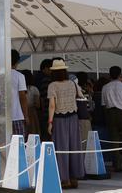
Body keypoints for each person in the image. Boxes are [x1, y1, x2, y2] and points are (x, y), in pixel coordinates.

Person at [47, 59, 84, 187]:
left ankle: (65, 179)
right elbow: (80, 95)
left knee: (61, 148)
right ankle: (75, 178)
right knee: (74, 147)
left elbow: (52, 105)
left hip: (59, 119)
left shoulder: (52, 85)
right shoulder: (72, 84)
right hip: (73, 117)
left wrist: (50, 122)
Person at [9, 50, 29, 137]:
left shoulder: (1, 76)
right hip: (18, 115)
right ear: (17, 61)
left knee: (6, 143)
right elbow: (22, 97)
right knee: (19, 143)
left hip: (4, 117)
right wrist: (26, 115)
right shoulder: (19, 76)